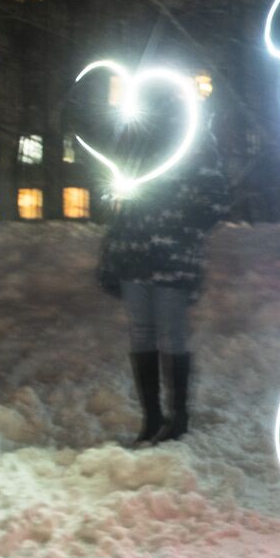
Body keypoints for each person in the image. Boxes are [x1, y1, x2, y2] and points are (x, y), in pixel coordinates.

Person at [97, 130, 232, 447]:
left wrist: (181, 215)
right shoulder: (133, 137)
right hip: (133, 251)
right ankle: (153, 418)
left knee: (172, 334)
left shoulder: (194, 136)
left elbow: (216, 200)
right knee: (141, 332)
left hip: (173, 254)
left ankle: (179, 417)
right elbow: (116, 197)